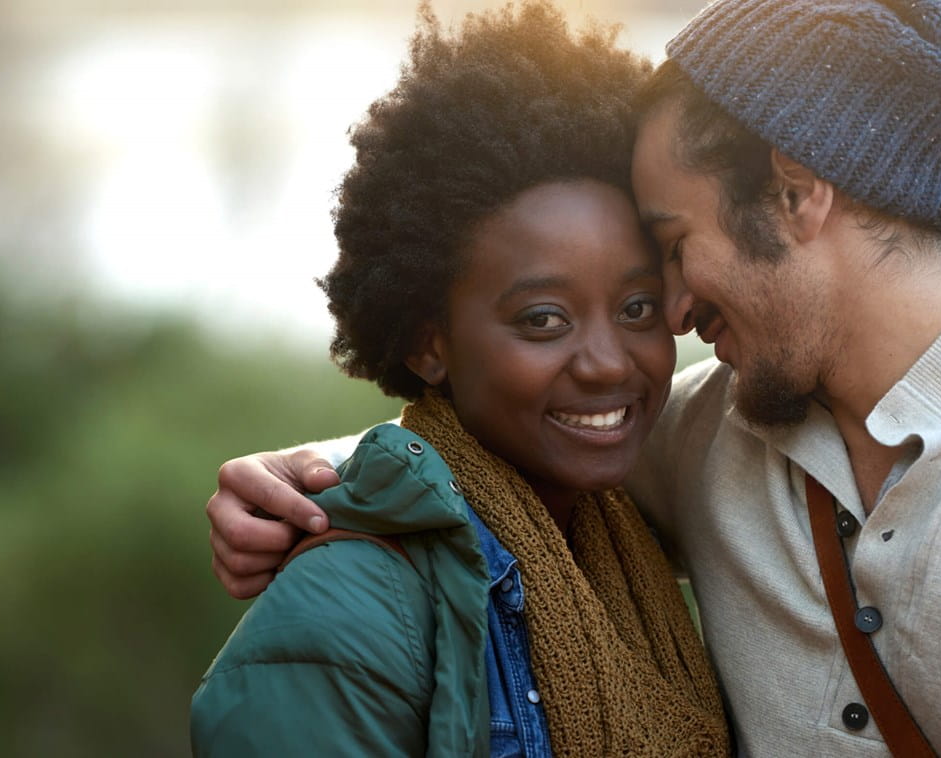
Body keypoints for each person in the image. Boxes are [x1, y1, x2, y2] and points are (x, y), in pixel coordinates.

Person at [207, 0, 941, 755]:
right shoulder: (713, 431)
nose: (664, 316)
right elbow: (491, 451)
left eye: (671, 246)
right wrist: (304, 475)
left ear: (794, 192)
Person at [190, 3, 730, 756]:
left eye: (637, 306)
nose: (608, 361)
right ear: (426, 344)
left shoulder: (618, 530)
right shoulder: (346, 613)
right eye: (543, 319)